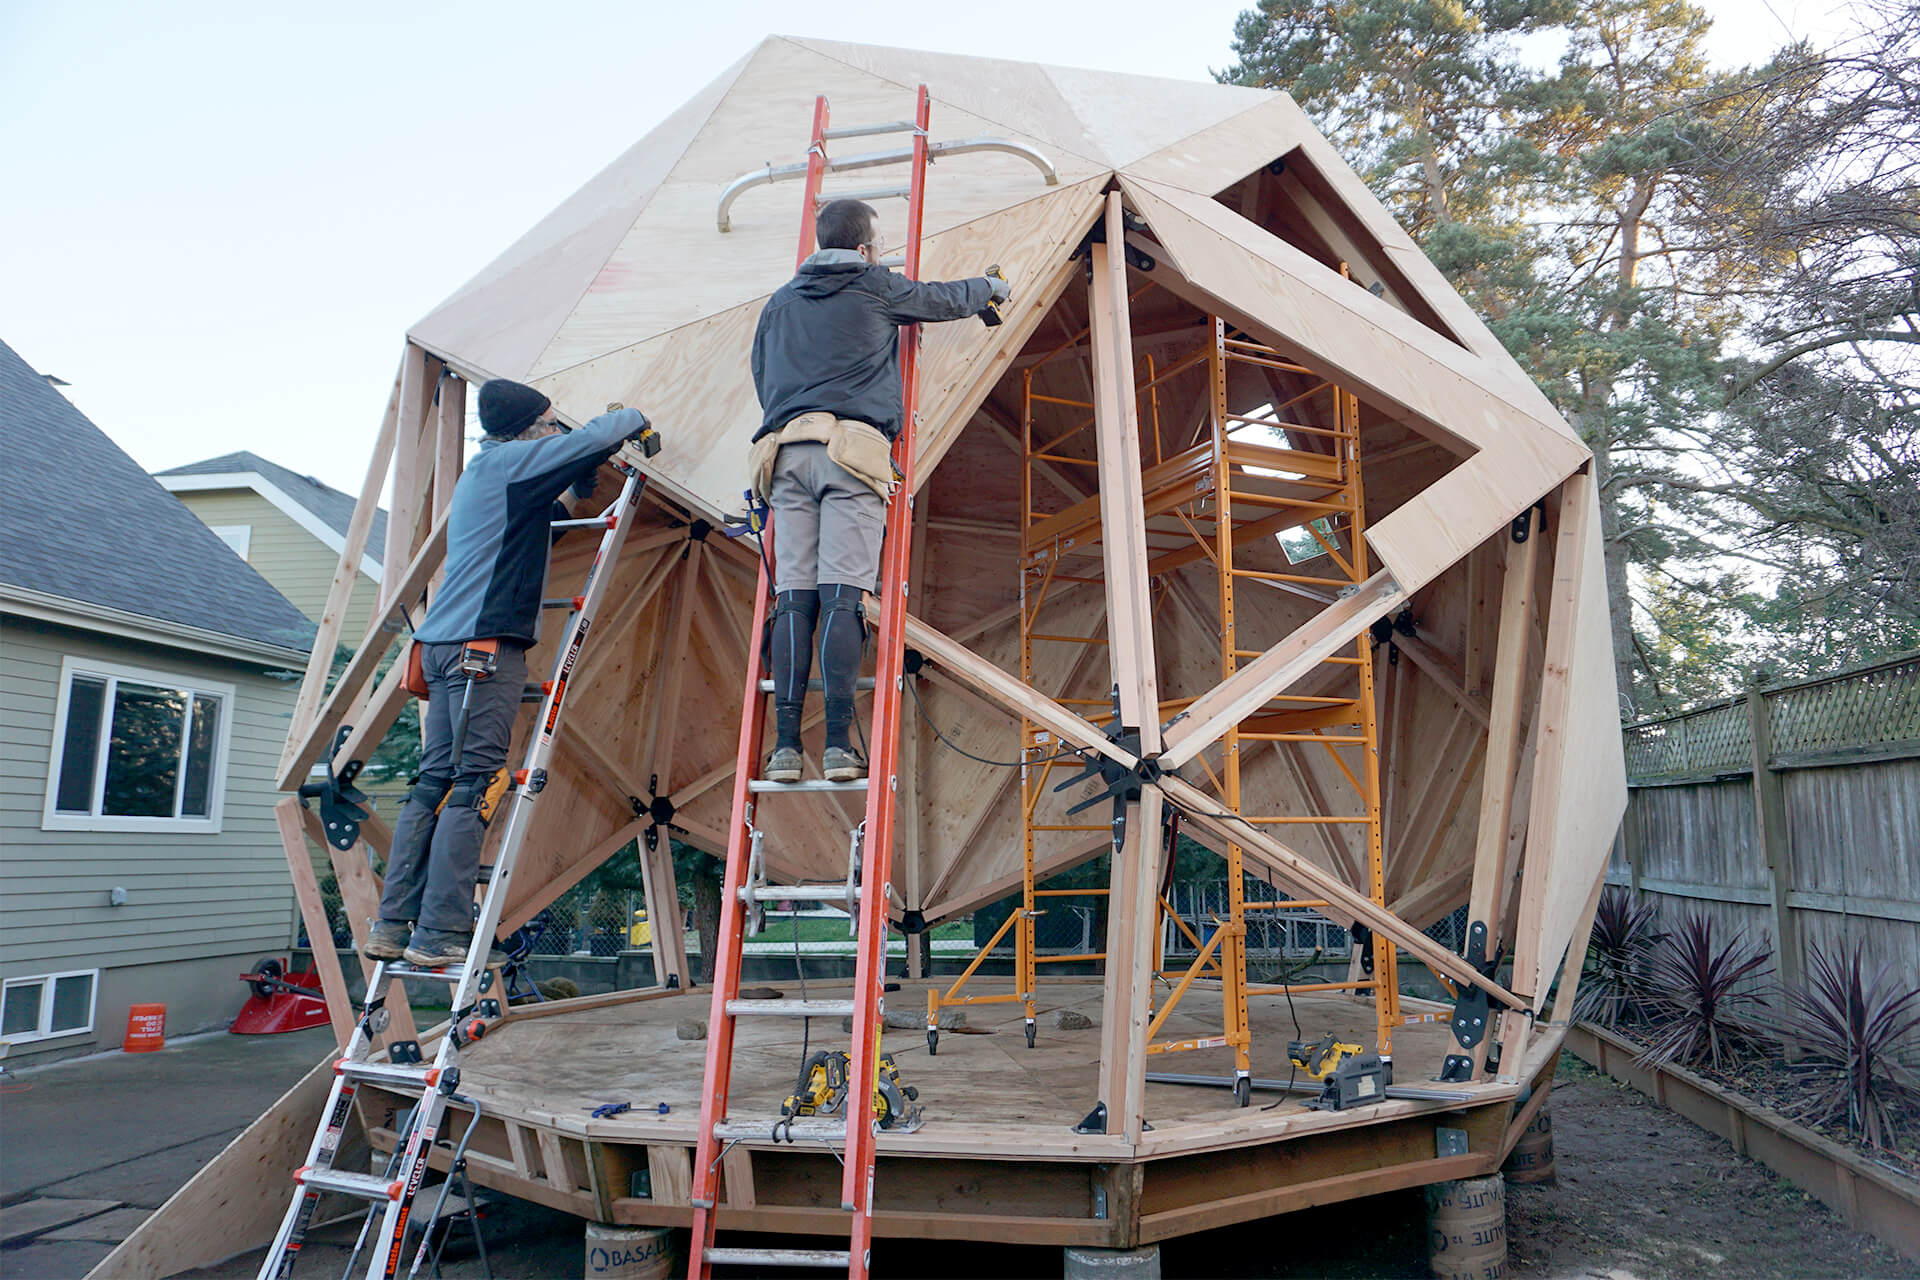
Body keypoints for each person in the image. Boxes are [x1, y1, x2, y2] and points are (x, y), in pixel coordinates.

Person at [364, 381, 655, 968]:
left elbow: (559, 506)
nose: (553, 433)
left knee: (433, 782)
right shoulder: (513, 462)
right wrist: (628, 420)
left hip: (446, 647)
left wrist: (582, 472)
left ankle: (393, 926)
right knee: (472, 785)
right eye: (548, 424)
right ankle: (441, 932)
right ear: (525, 429)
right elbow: (605, 430)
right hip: (482, 650)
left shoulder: (490, 474)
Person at [748, 197, 1010, 783]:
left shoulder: (780, 303)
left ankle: (785, 747)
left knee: (793, 597)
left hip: (786, 455)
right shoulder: (874, 286)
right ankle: (839, 744)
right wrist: (990, 285)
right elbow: (943, 300)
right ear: (864, 248)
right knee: (842, 596)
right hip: (852, 456)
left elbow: (762, 375)